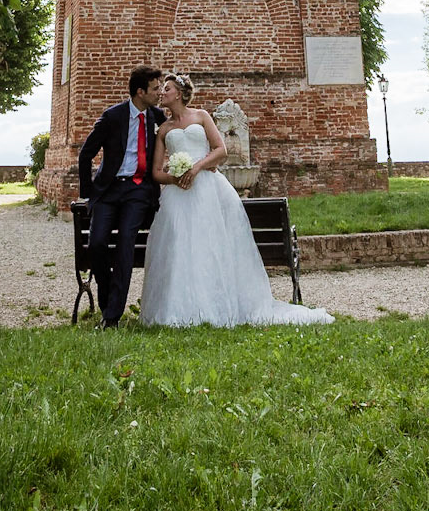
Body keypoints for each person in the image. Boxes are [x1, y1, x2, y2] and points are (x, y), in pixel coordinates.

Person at [139, 72, 333, 328]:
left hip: (208, 188)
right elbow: (155, 172)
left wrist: (196, 168)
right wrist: (177, 178)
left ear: (180, 93)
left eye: (167, 88)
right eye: (161, 89)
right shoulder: (164, 129)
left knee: (211, 245)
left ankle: (217, 304)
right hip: (178, 195)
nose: (162, 92)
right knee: (181, 249)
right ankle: (181, 308)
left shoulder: (202, 116)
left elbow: (221, 150)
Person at [78, 66, 164, 328]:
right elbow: (86, 154)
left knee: (126, 244)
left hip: (138, 191)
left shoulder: (157, 117)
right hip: (108, 190)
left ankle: (112, 316)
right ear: (140, 92)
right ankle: (106, 299)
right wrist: (89, 192)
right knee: (98, 244)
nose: (160, 92)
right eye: (155, 88)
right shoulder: (113, 116)